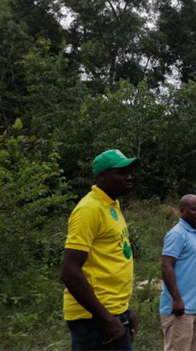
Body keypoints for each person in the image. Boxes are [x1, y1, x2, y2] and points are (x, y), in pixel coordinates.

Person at [61, 149, 140, 351]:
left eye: (129, 171)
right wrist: (107, 319)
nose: (128, 176)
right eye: (120, 172)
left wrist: (125, 310)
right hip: (93, 318)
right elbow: (70, 272)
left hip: (114, 310)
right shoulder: (89, 209)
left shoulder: (111, 205)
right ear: (102, 176)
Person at [160, 194, 196, 351]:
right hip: (180, 308)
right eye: (194, 209)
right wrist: (177, 300)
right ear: (182, 211)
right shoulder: (177, 234)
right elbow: (167, 266)